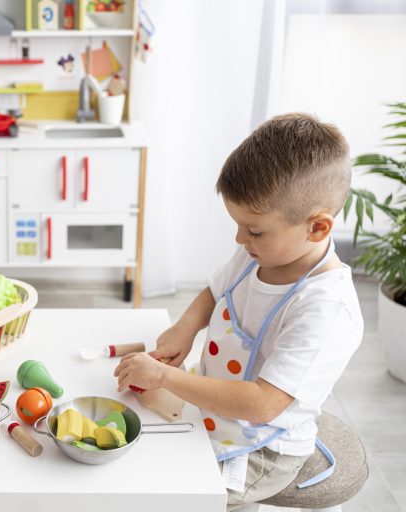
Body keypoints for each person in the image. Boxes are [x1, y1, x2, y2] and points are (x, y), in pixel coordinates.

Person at [114, 113, 363, 510]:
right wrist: (186, 327)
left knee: (188, 497)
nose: (239, 238)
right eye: (239, 225)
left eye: (254, 230)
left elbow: (263, 404)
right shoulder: (256, 253)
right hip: (215, 408)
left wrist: (164, 375)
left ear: (317, 228)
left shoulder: (325, 310)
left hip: (264, 446)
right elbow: (217, 289)